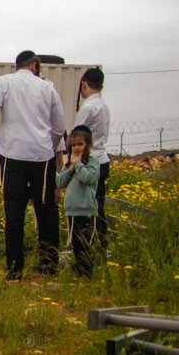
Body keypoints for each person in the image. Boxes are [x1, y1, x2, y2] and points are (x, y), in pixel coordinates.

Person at [0, 50, 66, 279]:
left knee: (14, 212)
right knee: (46, 210)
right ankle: (48, 263)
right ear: (35, 64)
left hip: (12, 155)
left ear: (17, 65)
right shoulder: (48, 87)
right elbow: (58, 126)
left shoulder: (4, 82)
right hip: (42, 157)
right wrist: (48, 146)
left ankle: (15, 268)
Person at [56, 125, 101, 277]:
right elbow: (60, 182)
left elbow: (88, 178)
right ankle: (79, 269)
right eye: (73, 145)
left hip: (86, 209)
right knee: (75, 243)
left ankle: (86, 272)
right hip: (72, 210)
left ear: (89, 145)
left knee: (85, 243)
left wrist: (79, 164)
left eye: (80, 144)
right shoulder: (71, 162)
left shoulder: (93, 162)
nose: (76, 148)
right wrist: (71, 167)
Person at [74, 67, 111, 249]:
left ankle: (86, 248)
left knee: (85, 209)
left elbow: (77, 136)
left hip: (89, 161)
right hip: (103, 159)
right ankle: (101, 245)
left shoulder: (88, 107)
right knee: (98, 206)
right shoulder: (103, 106)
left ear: (84, 83)